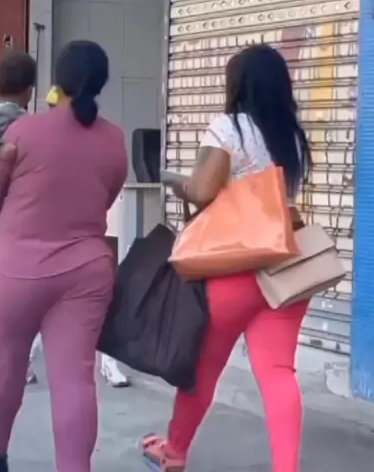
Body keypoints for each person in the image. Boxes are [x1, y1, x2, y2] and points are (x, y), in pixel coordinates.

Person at [140, 44, 312, 472]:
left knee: (204, 366)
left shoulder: (229, 128)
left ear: (238, 85)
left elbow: (201, 191)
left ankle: (175, 452)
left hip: (234, 268)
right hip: (285, 264)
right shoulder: (291, 134)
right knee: (279, 373)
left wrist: (170, 178)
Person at [0, 40, 128, 472]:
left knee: (4, 370)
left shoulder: (24, 131)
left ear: (57, 80)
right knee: (75, 380)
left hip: (17, 269)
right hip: (86, 271)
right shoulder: (114, 139)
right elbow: (107, 195)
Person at [25, 84, 131, 388]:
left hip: (87, 239)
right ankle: (25, 361)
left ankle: (108, 364)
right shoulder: (43, 144)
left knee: (98, 305)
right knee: (48, 309)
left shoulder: (98, 140)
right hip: (55, 243)